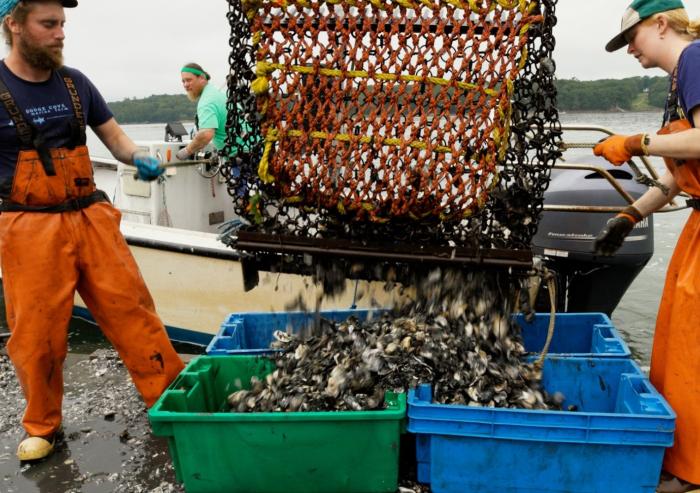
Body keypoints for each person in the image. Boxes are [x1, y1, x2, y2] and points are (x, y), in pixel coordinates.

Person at [0, 0, 185, 462]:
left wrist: (137, 156)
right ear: (14, 25)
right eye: (49, 23)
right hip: (28, 228)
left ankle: (169, 402)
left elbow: (115, 138)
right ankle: (43, 425)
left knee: (133, 311)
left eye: (63, 23)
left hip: (91, 218)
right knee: (37, 332)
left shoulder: (75, 83)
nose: (61, 32)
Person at [592, 1, 700, 491]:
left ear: (661, 23)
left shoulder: (696, 60)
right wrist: (631, 215)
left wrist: (637, 143)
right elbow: (679, 179)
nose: (629, 49)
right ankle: (682, 462)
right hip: (697, 228)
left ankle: (690, 473)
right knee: (675, 346)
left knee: (693, 351)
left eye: (632, 37)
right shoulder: (676, 83)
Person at [176, 63, 227, 160]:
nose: (185, 85)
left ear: (202, 78)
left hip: (241, 157)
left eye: (189, 80)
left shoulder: (206, 101)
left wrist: (187, 151)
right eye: (183, 81)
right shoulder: (216, 91)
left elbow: (206, 134)